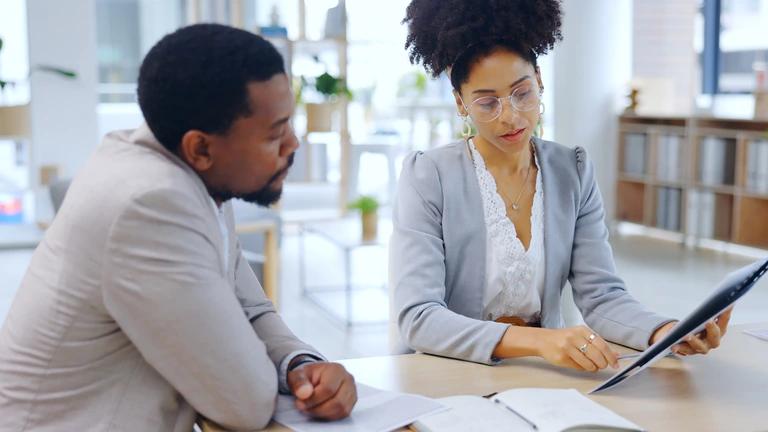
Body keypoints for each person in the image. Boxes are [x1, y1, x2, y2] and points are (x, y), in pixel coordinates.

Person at [0, 24, 356, 431]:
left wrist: (302, 366)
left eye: (289, 124)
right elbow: (246, 401)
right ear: (201, 148)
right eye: (275, 135)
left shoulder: (189, 169)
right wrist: (267, 370)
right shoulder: (150, 204)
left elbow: (251, 310)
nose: (293, 145)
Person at [390, 0, 732, 370]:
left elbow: (602, 298)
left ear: (539, 79)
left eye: (522, 93)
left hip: (544, 373)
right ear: (461, 103)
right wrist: (539, 340)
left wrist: (663, 331)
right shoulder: (429, 176)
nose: (511, 117)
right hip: (453, 371)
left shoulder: (572, 171)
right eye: (488, 103)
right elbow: (419, 317)